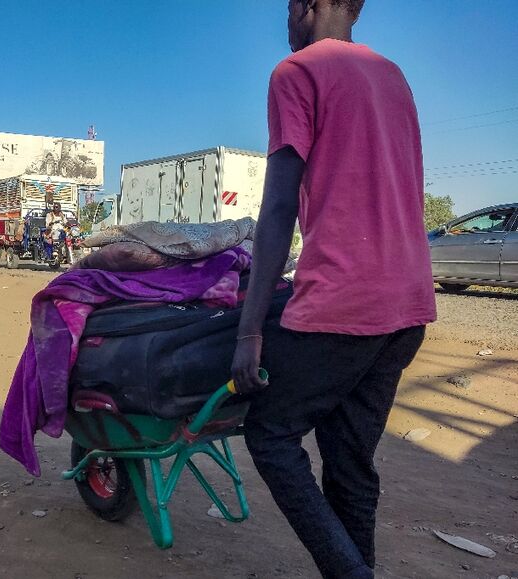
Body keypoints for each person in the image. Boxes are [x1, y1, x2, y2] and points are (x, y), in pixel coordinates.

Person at [230, 1, 436, 577]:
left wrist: (249, 331)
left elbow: (276, 210)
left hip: (344, 302)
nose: (287, 21)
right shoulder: (393, 76)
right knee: (349, 465)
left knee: (271, 435)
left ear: (308, 6)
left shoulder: (295, 72)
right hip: (408, 306)